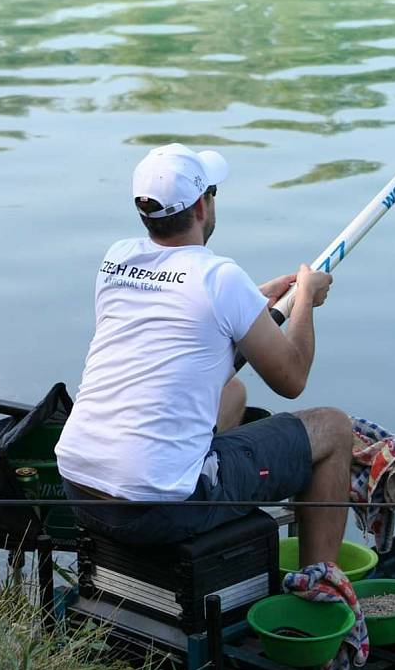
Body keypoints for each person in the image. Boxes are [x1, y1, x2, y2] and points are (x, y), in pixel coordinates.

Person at [55, 143, 353, 567]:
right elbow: (292, 379)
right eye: (213, 192)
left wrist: (251, 302)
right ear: (200, 206)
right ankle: (321, 585)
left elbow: (181, 326)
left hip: (80, 490)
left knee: (231, 394)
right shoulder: (220, 279)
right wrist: (305, 298)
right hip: (159, 512)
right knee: (334, 429)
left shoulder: (116, 260)